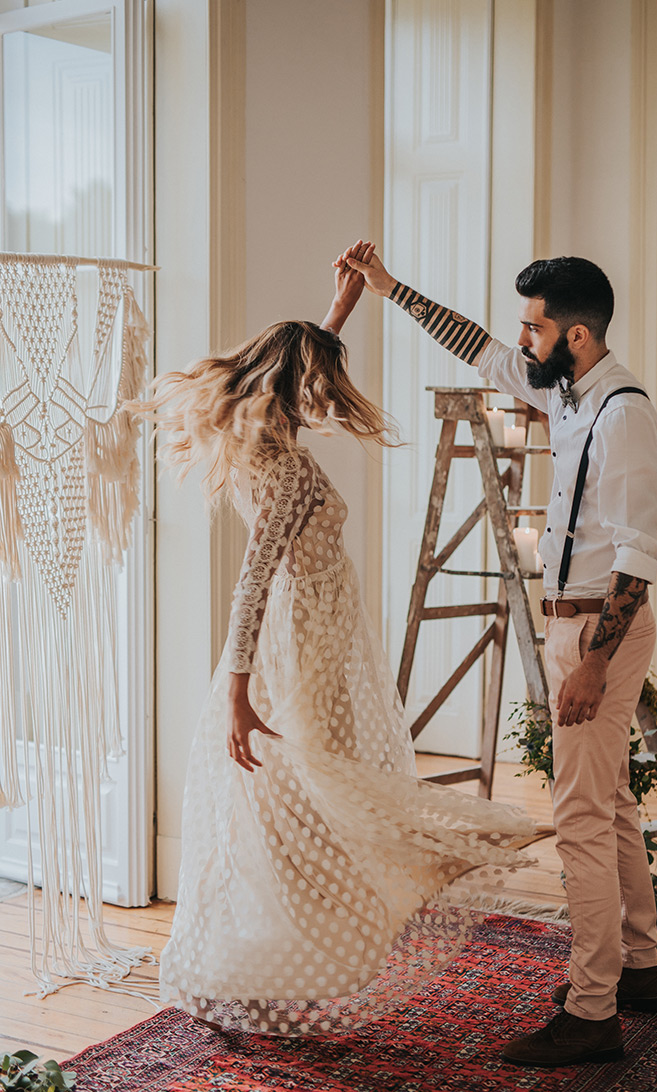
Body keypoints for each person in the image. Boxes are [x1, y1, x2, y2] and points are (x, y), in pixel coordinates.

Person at [143, 240, 536, 1038]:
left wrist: (342, 308)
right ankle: (277, 950)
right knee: (313, 794)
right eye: (319, 380)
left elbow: (299, 362)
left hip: (316, 632)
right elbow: (251, 583)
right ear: (295, 384)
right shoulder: (283, 469)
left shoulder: (272, 436)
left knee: (316, 793)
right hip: (302, 639)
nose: (330, 397)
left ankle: (291, 946)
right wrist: (238, 695)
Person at [343, 246, 657, 1067]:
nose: (523, 338)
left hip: (600, 628)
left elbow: (638, 553)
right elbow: (478, 347)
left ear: (580, 334)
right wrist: (388, 290)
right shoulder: (562, 388)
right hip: (576, 624)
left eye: (537, 326)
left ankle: (592, 1013)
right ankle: (638, 968)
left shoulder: (623, 415)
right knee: (612, 799)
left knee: (582, 817)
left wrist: (593, 659)